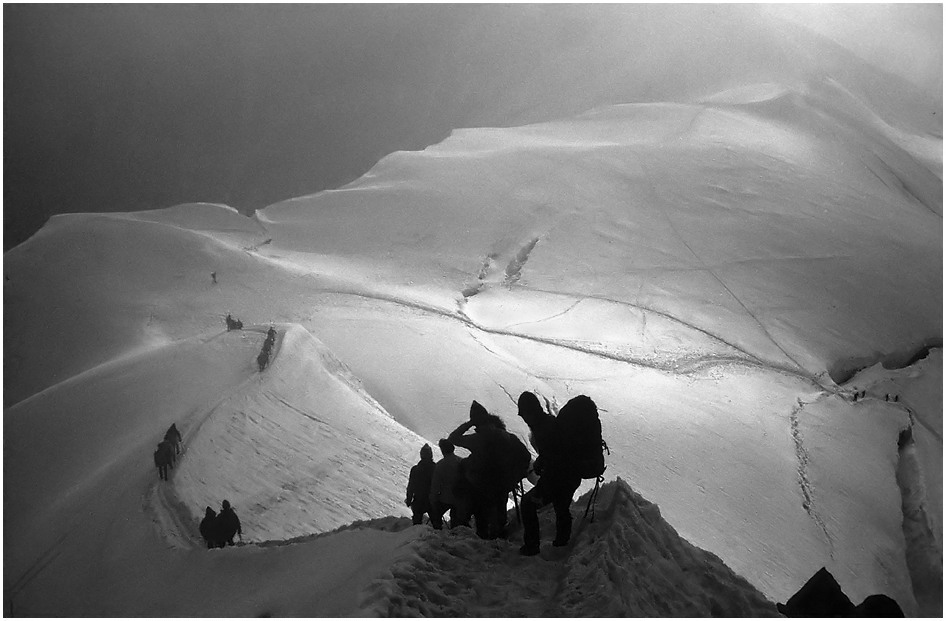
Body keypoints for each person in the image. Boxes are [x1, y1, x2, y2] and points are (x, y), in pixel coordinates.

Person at [448, 401, 528, 540]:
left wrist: (468, 424)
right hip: (503, 483)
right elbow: (525, 456)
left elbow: (453, 438)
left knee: (482, 514)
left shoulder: (478, 438)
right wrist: (515, 476)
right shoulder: (507, 436)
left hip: (481, 485)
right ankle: (499, 533)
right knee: (498, 511)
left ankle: (479, 532)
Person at [517, 391, 582, 556]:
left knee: (528, 503)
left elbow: (554, 461)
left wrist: (542, 488)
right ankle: (562, 544)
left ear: (530, 412)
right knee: (561, 507)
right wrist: (541, 462)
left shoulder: (543, 429)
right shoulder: (549, 422)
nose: (523, 418)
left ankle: (532, 546)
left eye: (524, 414)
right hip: (571, 474)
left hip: (561, 477)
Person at [429, 439, 463, 529]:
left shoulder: (440, 465)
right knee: (456, 521)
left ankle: (438, 532)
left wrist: (433, 498)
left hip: (445, 498)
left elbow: (436, 485)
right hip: (460, 498)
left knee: (436, 515)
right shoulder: (461, 462)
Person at [405, 443, 436, 525]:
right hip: (432, 500)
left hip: (418, 500)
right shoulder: (436, 468)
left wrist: (409, 499)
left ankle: (417, 534)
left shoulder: (415, 469)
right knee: (436, 523)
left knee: (417, 522)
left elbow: (411, 486)